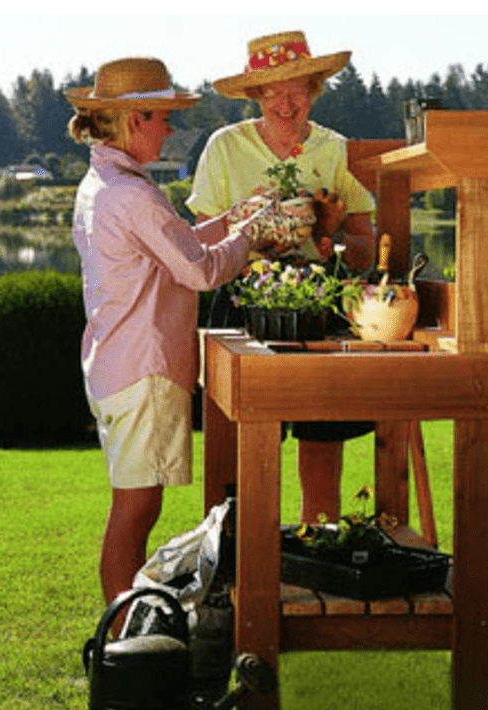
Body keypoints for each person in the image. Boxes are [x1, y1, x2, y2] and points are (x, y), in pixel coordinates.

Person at [66, 57, 281, 627]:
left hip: (118, 364)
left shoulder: (106, 185)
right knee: (136, 510)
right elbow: (204, 271)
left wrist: (235, 218)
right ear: (135, 119)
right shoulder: (131, 194)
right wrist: (251, 234)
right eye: (164, 118)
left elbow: (178, 246)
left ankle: (126, 634)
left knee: (134, 506)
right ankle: (123, 640)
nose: (171, 129)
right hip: (144, 369)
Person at [187, 31, 377, 524]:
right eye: (272, 90)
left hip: (319, 307)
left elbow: (364, 250)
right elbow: (198, 246)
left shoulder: (338, 152)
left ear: (315, 89)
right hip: (243, 303)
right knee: (247, 445)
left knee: (321, 440)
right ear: (255, 95)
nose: (286, 102)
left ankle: (320, 544)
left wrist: (331, 234)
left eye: (297, 88)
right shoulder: (225, 147)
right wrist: (248, 237)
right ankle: (241, 558)